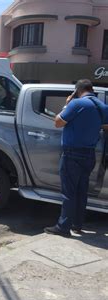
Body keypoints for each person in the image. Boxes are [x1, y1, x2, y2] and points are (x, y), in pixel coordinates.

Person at [44, 79, 108, 237]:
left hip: (72, 154)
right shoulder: (103, 107)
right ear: (91, 90)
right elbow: (106, 127)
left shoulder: (76, 104)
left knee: (69, 192)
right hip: (90, 154)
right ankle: (77, 225)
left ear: (77, 91)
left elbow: (58, 123)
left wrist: (66, 104)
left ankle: (63, 227)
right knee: (81, 191)